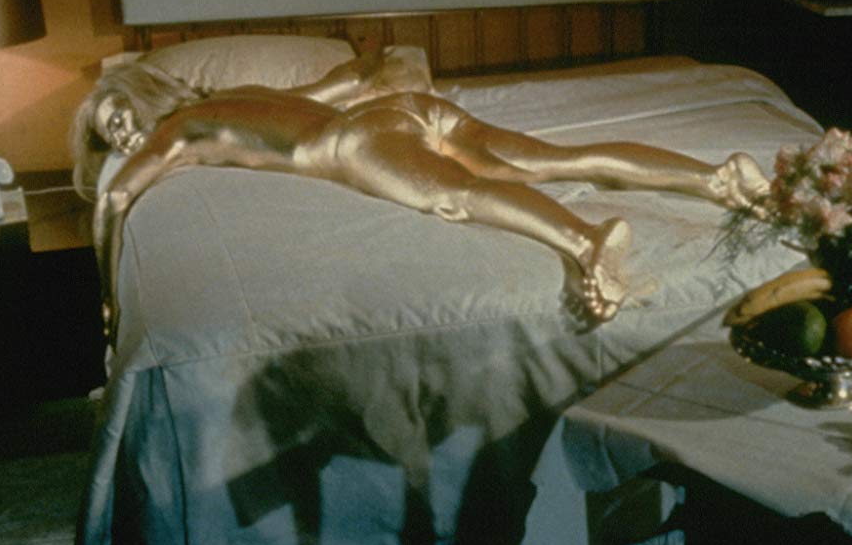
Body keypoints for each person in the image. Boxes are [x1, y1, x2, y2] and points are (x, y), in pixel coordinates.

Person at [73, 48, 770, 344]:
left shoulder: (177, 130)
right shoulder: (242, 95)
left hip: (355, 142)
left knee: (458, 195)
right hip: (401, 110)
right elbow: (339, 83)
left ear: (144, 95)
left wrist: (107, 300)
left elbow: (113, 202)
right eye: (110, 135)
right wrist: (383, 71)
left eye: (119, 116)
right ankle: (715, 178)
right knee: (553, 160)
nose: (124, 136)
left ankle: (586, 243)